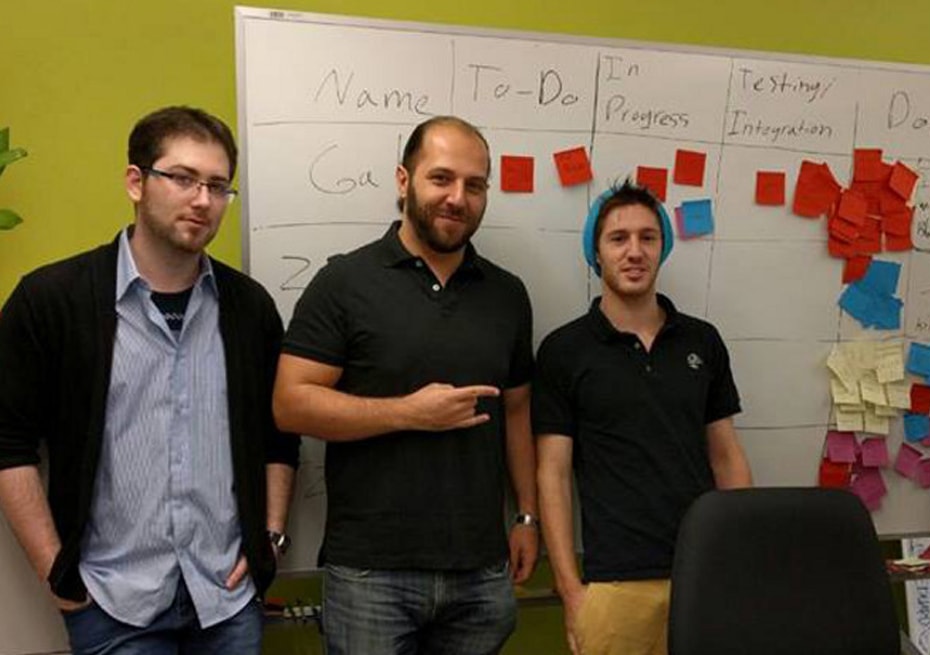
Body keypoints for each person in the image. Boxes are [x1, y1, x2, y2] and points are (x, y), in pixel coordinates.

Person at [0, 105, 300, 653]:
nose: (203, 200)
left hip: (226, 600)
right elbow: (7, 443)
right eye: (182, 178)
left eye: (217, 186)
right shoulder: (52, 300)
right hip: (113, 605)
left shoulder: (249, 308)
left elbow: (278, 435)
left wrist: (270, 539)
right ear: (136, 182)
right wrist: (55, 569)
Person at [272, 115, 537, 655]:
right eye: (440, 178)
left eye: (475, 184)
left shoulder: (507, 295)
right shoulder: (344, 282)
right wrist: (409, 413)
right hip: (372, 574)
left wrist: (527, 515)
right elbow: (290, 404)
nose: (457, 198)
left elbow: (517, 412)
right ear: (403, 180)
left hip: (482, 572)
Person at [534, 180, 753, 655]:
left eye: (647, 237)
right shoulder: (564, 351)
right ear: (596, 253)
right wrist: (571, 589)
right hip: (612, 586)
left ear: (663, 247)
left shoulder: (703, 342)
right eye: (618, 239)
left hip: (704, 572)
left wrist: (742, 561)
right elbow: (551, 473)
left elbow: (726, 456)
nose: (634, 251)